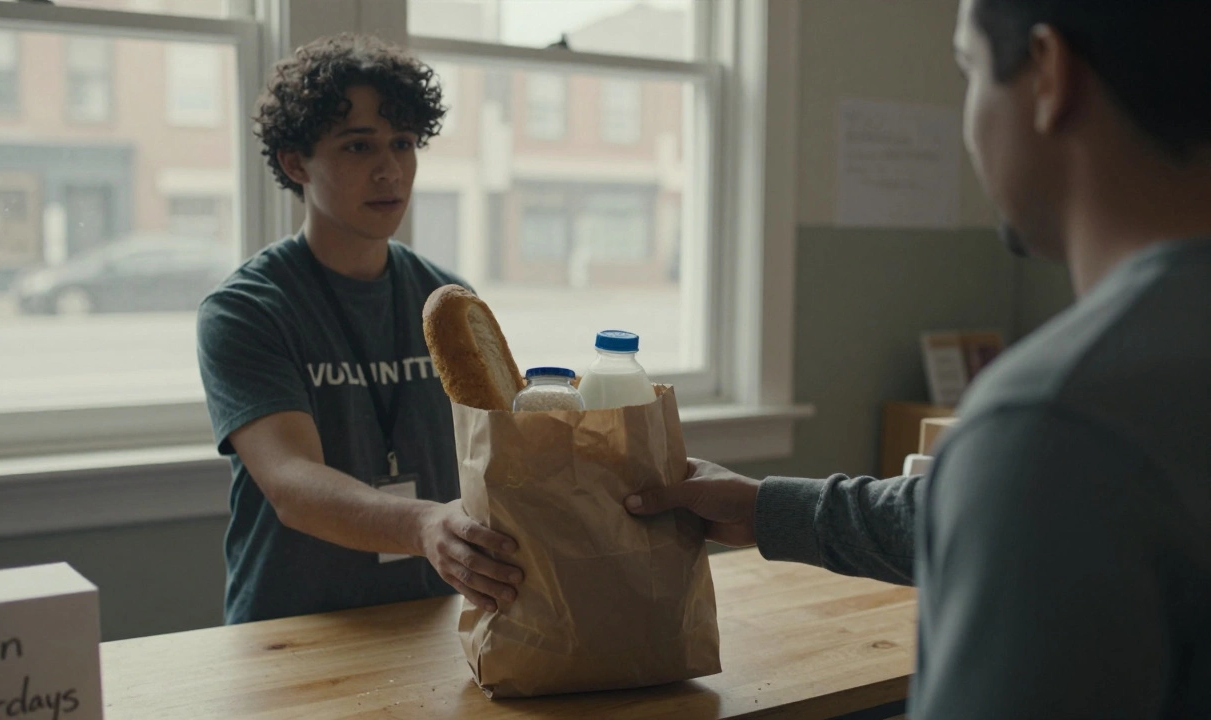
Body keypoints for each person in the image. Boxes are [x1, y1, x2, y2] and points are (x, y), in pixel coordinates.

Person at [627, 0, 1211, 716]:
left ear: (1049, 74)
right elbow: (971, 512)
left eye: (967, 70)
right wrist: (771, 510)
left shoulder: (1056, 421)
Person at [197, 34, 523, 625]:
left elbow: (499, 445)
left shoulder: (447, 302)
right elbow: (292, 484)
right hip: (289, 630)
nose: (389, 170)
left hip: (432, 621)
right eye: (358, 146)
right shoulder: (246, 308)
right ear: (297, 163)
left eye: (403, 143)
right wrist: (425, 524)